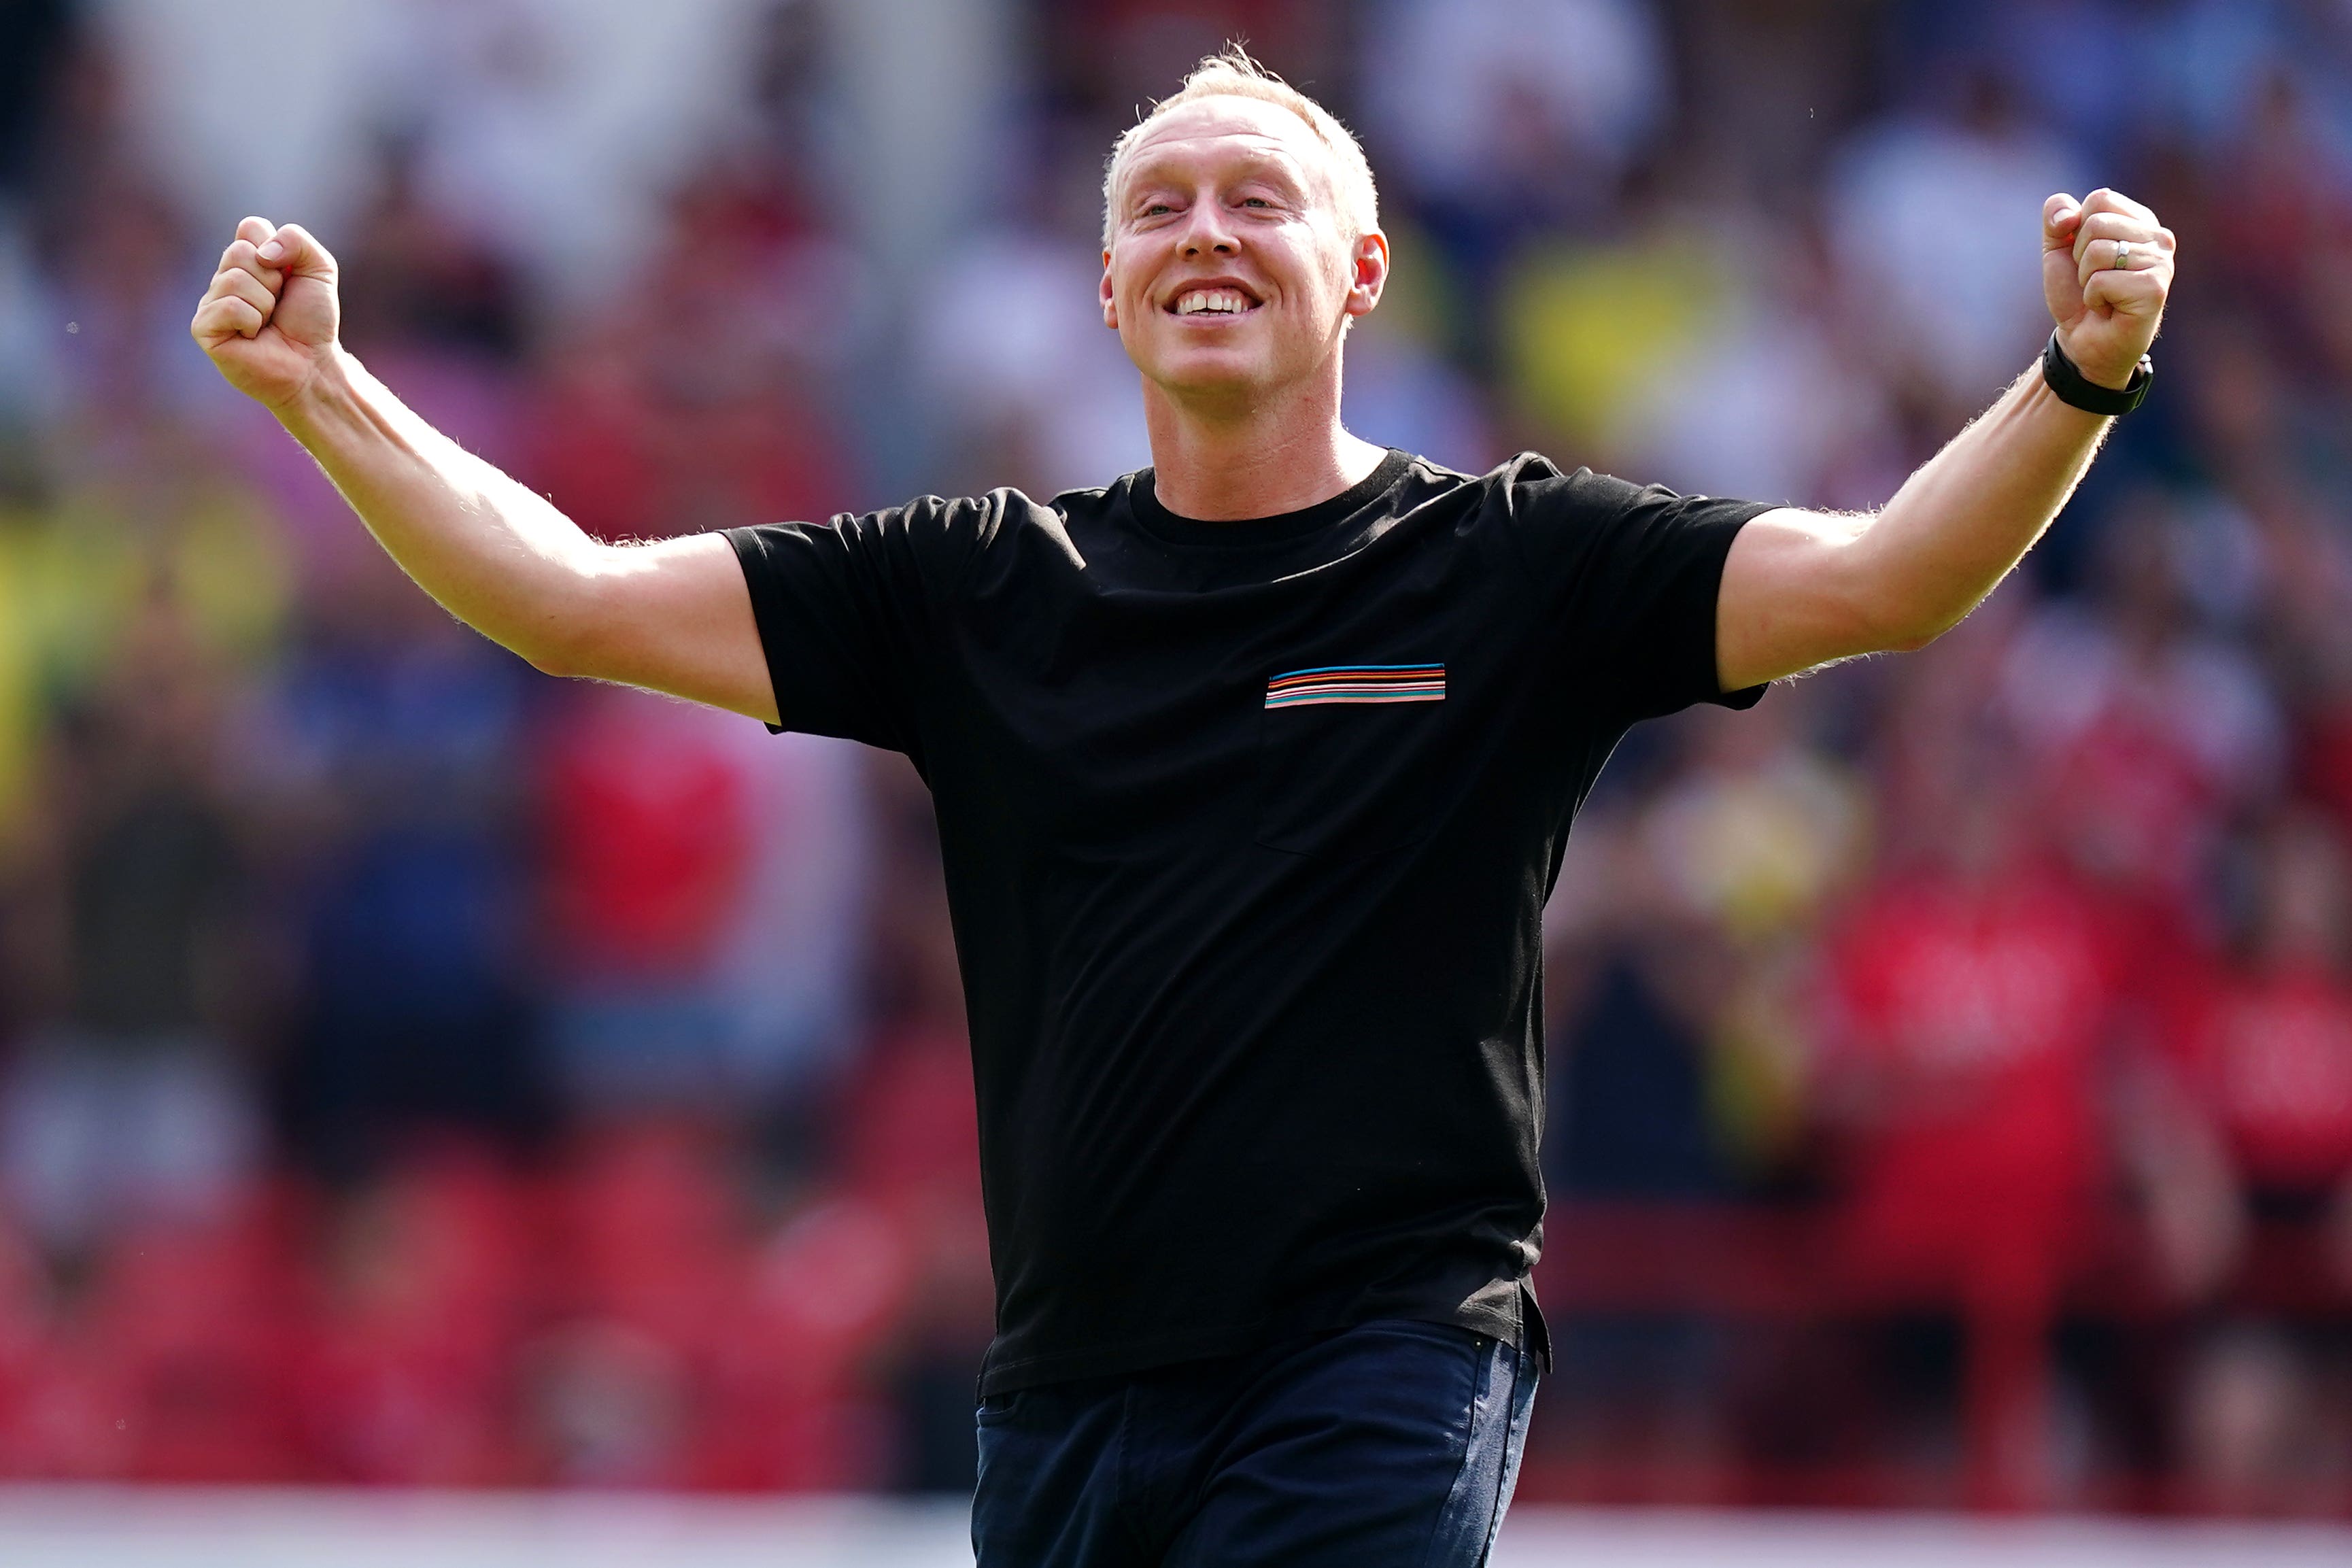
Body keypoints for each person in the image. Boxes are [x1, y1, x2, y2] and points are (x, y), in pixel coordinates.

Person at [192, 45, 2174, 1568]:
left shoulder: (1516, 562)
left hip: (1377, 1361)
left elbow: (1887, 577)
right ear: (1110, 288)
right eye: (1158, 207)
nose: (1204, 232)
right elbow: (569, 596)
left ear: (1363, 270)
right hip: (1065, 1391)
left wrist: (2074, 378)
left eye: (1258, 197)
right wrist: (321, 391)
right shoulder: (980, 583)